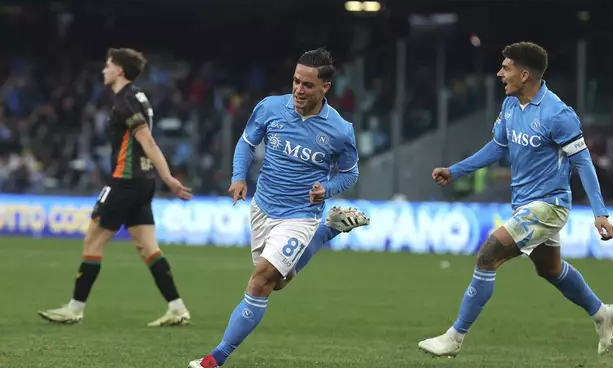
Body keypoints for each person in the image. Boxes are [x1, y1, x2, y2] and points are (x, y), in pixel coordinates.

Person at [419, 42, 613, 357]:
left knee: (488, 254)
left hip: (549, 205)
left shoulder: (558, 113)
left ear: (524, 75)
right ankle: (601, 313)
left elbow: (583, 163)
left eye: (506, 68)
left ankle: (454, 337)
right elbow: (499, 147)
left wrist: (600, 212)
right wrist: (456, 171)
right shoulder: (511, 105)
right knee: (550, 269)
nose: (500, 73)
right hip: (525, 204)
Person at [188, 48, 367, 368]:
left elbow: (350, 172)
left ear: (325, 88)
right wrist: (238, 177)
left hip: (300, 216)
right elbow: (246, 142)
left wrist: (326, 189)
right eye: (296, 81)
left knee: (259, 281)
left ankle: (215, 359)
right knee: (276, 283)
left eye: (307, 85)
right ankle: (329, 231)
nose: (299, 89)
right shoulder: (270, 108)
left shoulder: (340, 131)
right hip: (262, 208)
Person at [38, 48, 193, 327]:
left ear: (120, 70)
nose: (104, 70)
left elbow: (147, 142)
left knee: (93, 240)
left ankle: (74, 308)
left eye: (108, 65)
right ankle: (177, 307)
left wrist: (169, 177)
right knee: (147, 247)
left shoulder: (126, 102)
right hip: (143, 183)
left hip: (125, 182)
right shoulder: (139, 97)